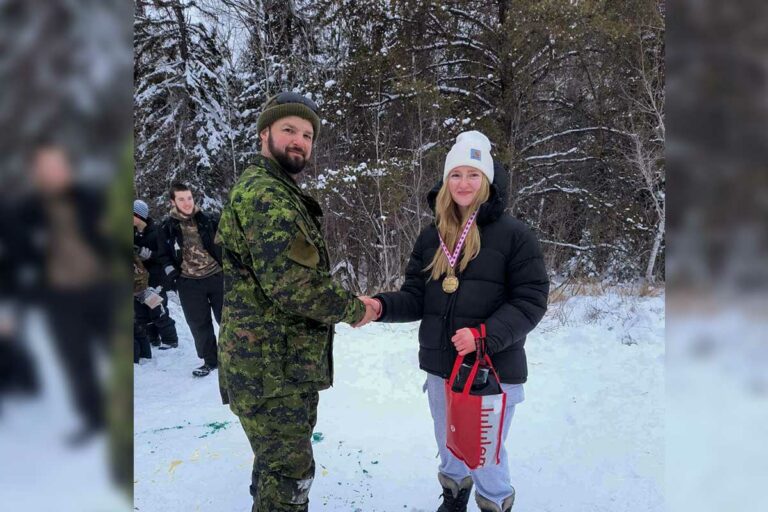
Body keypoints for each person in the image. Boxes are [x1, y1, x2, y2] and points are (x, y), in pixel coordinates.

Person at [361, 131, 549, 512]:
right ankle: (454, 491)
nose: (464, 183)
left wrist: (484, 336)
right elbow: (416, 296)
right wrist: (379, 307)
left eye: (474, 174)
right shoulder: (432, 236)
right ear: (446, 180)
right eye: (457, 174)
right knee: (447, 440)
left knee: (484, 451)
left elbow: (531, 300)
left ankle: (495, 502)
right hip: (441, 366)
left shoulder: (515, 236)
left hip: (491, 369)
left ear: (488, 181)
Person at [215, 91, 375, 512]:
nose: (299, 140)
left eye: (307, 134)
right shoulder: (266, 196)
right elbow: (294, 286)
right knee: (290, 476)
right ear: (264, 133)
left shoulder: (279, 191)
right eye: (289, 129)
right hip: (269, 370)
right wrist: (358, 308)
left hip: (280, 367)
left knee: (275, 467)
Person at [18, 143, 113, 445]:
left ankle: (123, 414)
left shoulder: (91, 199)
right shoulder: (27, 210)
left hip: (99, 290)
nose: (53, 172)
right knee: (77, 361)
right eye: (45, 167)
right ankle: (95, 417)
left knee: (116, 350)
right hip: (60, 298)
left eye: (57, 165)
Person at [157, 183, 223, 377]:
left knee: (228, 319)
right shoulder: (166, 227)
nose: (187, 203)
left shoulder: (209, 220)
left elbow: (226, 244)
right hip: (189, 283)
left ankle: (235, 356)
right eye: (181, 199)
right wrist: (174, 277)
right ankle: (211, 361)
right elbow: (163, 256)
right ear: (173, 202)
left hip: (217, 277)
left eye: (189, 198)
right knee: (199, 324)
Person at [133, 199, 178, 350]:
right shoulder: (132, 233)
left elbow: (164, 255)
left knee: (156, 308)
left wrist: (149, 254)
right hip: (139, 278)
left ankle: (170, 339)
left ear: (138, 216)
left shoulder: (156, 231)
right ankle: (152, 338)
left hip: (157, 276)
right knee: (140, 311)